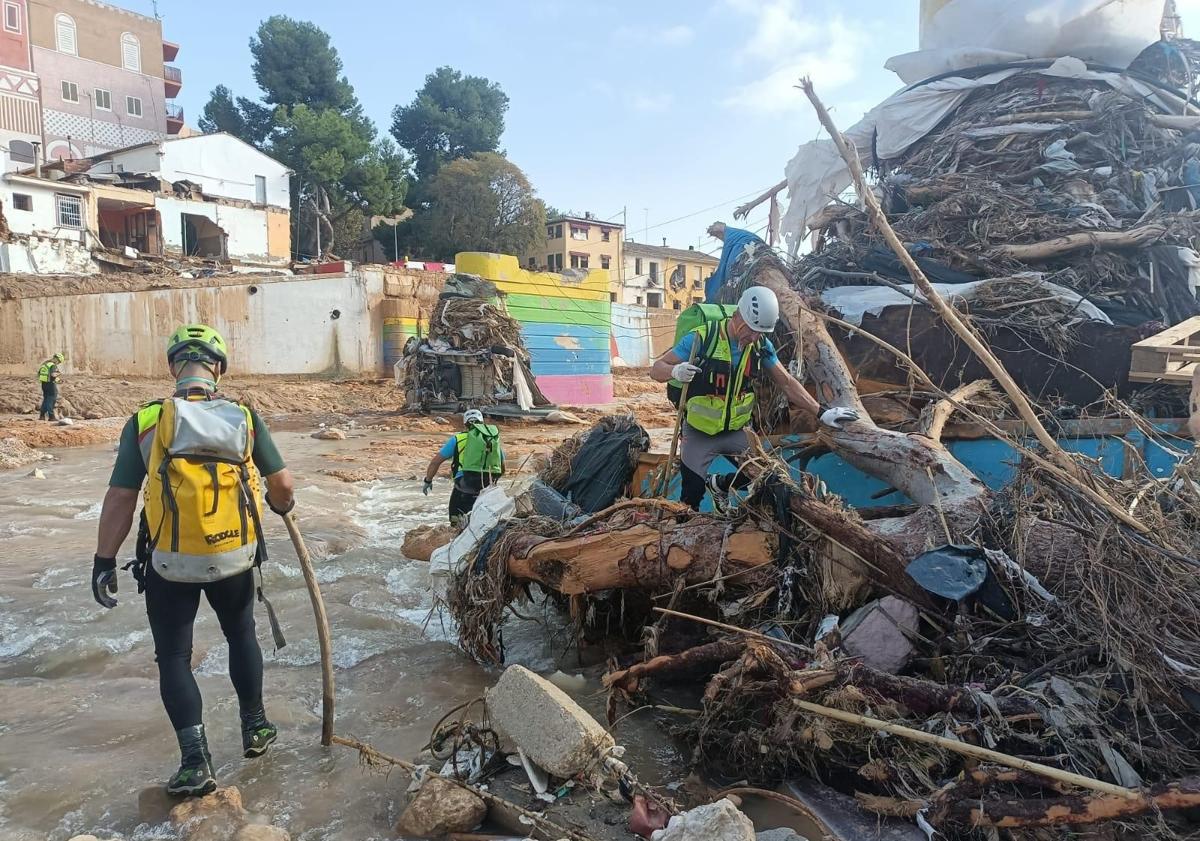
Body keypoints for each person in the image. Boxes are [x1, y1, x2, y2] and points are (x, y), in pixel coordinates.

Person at [91, 324, 295, 797]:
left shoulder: (146, 421)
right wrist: (281, 506)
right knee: (241, 635)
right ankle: (257, 730)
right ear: (219, 369)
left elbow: (121, 497)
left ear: (171, 367)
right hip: (235, 557)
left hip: (169, 563)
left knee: (175, 658)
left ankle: (195, 762)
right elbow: (282, 485)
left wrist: (104, 561)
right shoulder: (244, 416)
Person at [650, 286, 858, 510]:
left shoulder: (760, 346)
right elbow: (656, 369)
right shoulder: (703, 337)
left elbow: (786, 382)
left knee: (769, 477)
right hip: (699, 431)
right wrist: (675, 371)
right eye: (750, 330)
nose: (754, 337)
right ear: (738, 316)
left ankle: (720, 484)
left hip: (737, 432)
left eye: (761, 332)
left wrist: (821, 411)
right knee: (690, 499)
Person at [423, 409, 504, 523]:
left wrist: (428, 480)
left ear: (465, 424)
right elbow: (501, 463)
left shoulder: (457, 439)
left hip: (464, 485)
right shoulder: (491, 439)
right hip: (488, 486)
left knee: (456, 522)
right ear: (482, 422)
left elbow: (435, 462)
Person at [37, 352, 65, 421]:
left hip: (44, 384)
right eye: (59, 361)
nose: (58, 363)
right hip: (50, 384)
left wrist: (58, 380)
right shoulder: (52, 365)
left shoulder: (45, 363)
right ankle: (51, 416)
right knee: (51, 399)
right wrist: (59, 375)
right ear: (57, 359)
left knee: (46, 399)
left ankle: (42, 416)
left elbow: (41, 374)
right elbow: (53, 375)